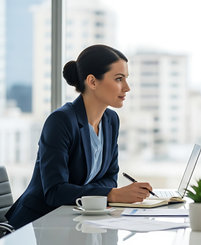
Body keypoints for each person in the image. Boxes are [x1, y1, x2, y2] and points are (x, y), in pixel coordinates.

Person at [6, 44, 153, 229]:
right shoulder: (61, 121)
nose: (127, 87)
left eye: (126, 79)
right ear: (92, 82)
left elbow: (110, 177)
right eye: (118, 79)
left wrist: (107, 192)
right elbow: (55, 191)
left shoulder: (111, 120)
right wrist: (112, 194)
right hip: (38, 224)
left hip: (77, 220)